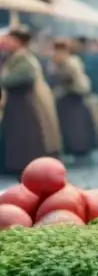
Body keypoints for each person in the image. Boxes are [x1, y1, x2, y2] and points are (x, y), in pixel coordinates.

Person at [0, 26, 61, 175]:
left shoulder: (25, 59)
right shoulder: (16, 57)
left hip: (26, 105)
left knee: (26, 138)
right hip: (18, 104)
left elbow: (16, 79)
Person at [48, 38, 98, 161]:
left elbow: (67, 79)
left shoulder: (69, 62)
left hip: (72, 97)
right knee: (72, 126)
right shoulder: (66, 61)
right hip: (69, 98)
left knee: (75, 126)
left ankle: (79, 148)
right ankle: (76, 148)